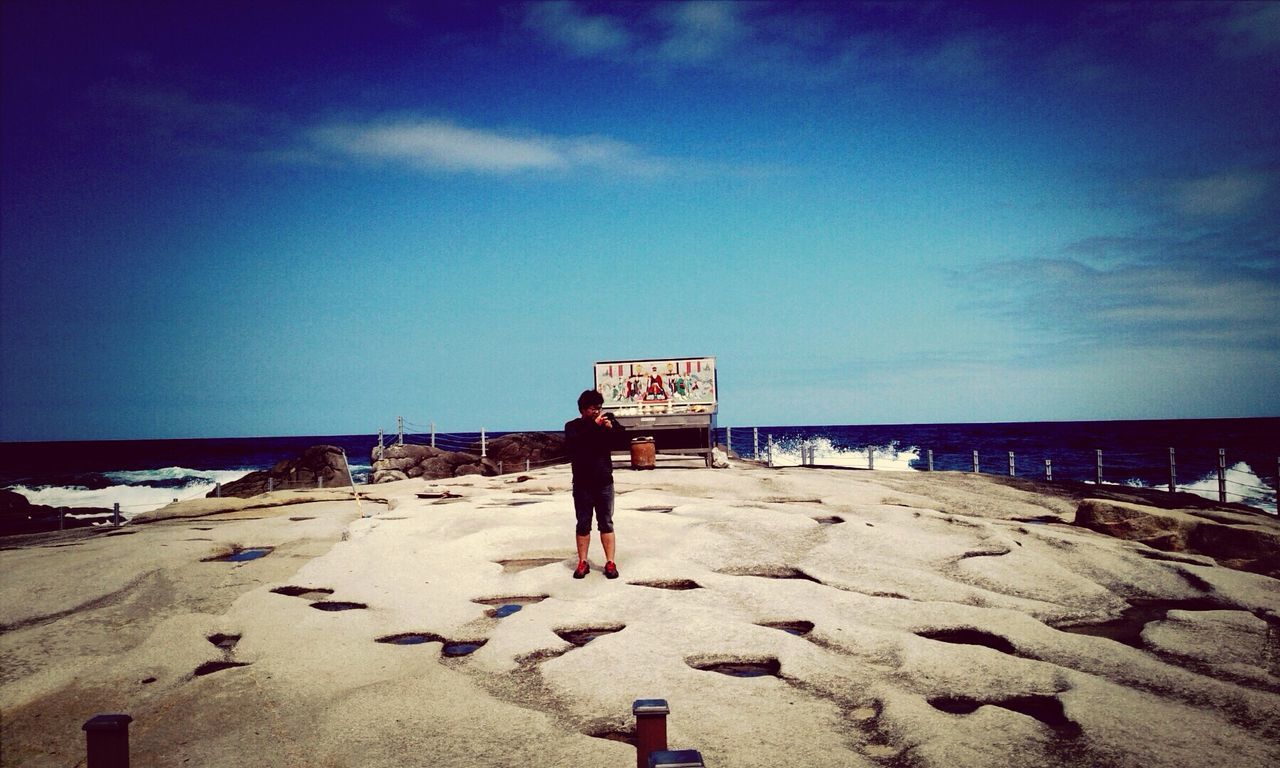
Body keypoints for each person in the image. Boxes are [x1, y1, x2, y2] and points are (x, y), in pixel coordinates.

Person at [565, 388, 626, 579]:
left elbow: (623, 440)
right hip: (582, 484)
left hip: (604, 482)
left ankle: (610, 562)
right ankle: (583, 562)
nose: (597, 412)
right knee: (583, 524)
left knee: (606, 523)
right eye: (593, 409)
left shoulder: (604, 424)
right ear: (583, 409)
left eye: (599, 408)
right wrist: (595, 426)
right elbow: (575, 443)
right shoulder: (573, 426)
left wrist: (612, 426)